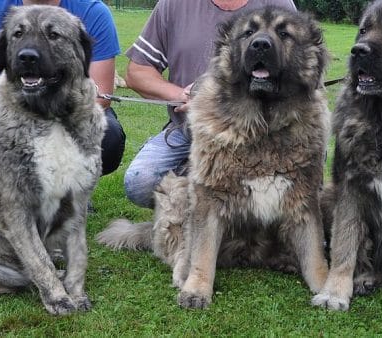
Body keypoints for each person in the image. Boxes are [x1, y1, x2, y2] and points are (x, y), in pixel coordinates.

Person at [122, 0, 298, 208]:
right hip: (188, 130)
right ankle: (201, 202)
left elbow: (298, 72)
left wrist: (218, 101)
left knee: (303, 160)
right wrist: (182, 94)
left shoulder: (278, 4)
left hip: (261, 131)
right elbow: (137, 72)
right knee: (140, 181)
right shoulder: (172, 5)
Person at [0, 0, 126, 176]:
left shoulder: (93, 11)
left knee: (108, 137)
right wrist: (7, 111)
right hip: (10, 109)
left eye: (52, 36)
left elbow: (101, 96)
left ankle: (71, 186)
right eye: (19, 34)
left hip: (69, 113)